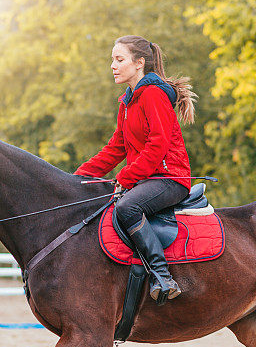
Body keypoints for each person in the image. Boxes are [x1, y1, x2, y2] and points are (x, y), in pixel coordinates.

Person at [75, 35, 197, 301]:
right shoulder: (127, 102)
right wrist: (78, 178)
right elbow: (115, 149)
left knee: (127, 207)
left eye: (119, 60)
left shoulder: (153, 95)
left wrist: (126, 177)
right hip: (147, 179)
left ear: (139, 63)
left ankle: (162, 276)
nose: (113, 66)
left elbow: (158, 145)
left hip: (170, 178)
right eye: (112, 60)